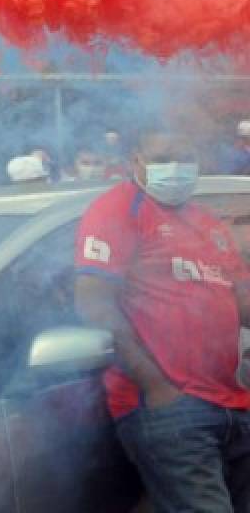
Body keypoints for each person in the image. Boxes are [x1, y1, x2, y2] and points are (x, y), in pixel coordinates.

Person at [75, 129, 250, 512]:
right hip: (170, 408)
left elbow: (240, 299)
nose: (175, 167)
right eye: (161, 158)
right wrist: (156, 387)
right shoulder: (119, 209)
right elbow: (93, 301)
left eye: (185, 156)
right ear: (135, 162)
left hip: (231, 400)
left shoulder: (207, 223)